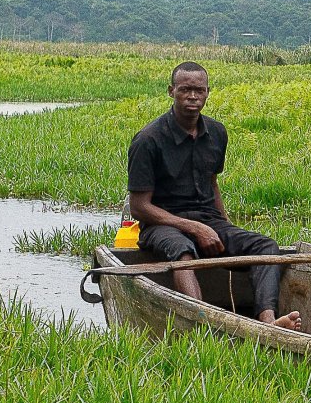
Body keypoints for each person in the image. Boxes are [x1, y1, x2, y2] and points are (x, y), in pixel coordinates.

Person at [126, 61, 302, 330]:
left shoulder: (216, 133)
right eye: (185, 90)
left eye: (199, 90)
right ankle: (202, 320)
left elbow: (212, 183)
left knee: (266, 247)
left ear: (208, 92)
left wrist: (226, 227)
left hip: (208, 219)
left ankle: (269, 323)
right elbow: (139, 207)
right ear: (171, 91)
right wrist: (194, 228)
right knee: (183, 251)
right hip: (161, 225)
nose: (193, 97)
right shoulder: (148, 140)